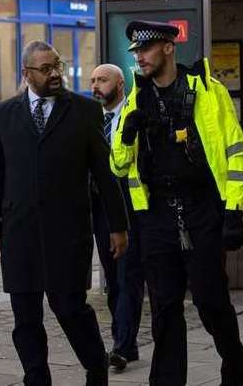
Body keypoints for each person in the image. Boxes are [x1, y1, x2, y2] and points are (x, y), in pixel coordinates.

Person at [111, 20, 243, 385]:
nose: (139, 58)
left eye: (145, 50)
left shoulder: (208, 91)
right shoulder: (135, 99)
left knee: (210, 300)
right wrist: (126, 134)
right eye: (136, 52)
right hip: (156, 215)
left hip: (202, 209)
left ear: (168, 48)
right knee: (164, 306)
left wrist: (233, 209)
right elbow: (117, 164)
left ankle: (237, 368)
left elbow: (239, 153)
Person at [0, 40, 129, 386]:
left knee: (71, 310)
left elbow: (105, 174)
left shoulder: (84, 111)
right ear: (26, 73)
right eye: (46, 69)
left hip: (69, 234)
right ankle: (36, 378)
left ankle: (96, 369)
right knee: (25, 318)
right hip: (19, 234)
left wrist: (118, 226)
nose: (55, 74)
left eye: (58, 66)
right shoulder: (3, 114)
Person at [90, 63, 144, 371]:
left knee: (128, 275)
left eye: (103, 80)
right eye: (93, 80)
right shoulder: (91, 119)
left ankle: (122, 346)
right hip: (101, 209)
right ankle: (126, 342)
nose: (96, 85)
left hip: (131, 205)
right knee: (112, 278)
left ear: (120, 84)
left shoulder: (133, 113)